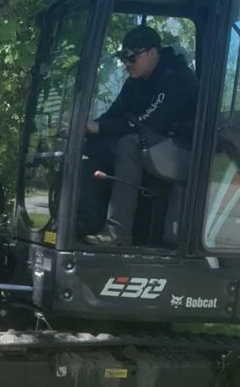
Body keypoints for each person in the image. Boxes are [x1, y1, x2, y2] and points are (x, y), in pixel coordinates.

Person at [82, 25, 199, 246]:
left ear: (152, 52)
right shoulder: (136, 82)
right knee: (93, 144)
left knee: (129, 144)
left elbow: (148, 122)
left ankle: (118, 233)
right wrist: (87, 128)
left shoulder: (177, 79)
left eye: (131, 58)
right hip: (161, 145)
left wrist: (100, 128)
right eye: (123, 58)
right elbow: (113, 114)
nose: (126, 64)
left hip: (186, 150)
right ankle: (83, 220)